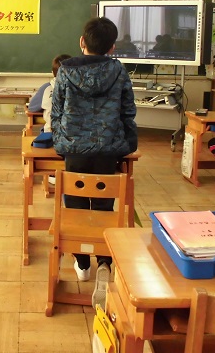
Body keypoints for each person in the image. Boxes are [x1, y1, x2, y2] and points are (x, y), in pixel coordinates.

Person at [51, 17, 137, 311]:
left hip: (73, 148)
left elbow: (57, 111)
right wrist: (128, 143)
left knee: (74, 207)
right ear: (112, 47)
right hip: (108, 148)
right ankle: (104, 261)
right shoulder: (118, 70)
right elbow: (128, 112)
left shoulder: (66, 70)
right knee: (102, 206)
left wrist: (61, 141)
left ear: (82, 42)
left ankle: (82, 262)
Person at [28, 53, 71, 132]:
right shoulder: (81, 88)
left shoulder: (47, 88)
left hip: (51, 134)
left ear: (52, 73)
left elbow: (32, 108)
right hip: (75, 135)